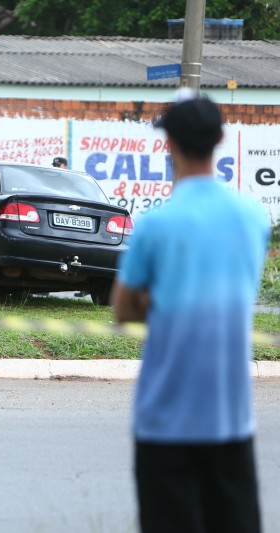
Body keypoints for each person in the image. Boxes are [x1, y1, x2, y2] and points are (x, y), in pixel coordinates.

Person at [112, 95, 269, 533]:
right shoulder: (253, 218)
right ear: (220, 139)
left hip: (165, 422)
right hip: (230, 419)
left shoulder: (156, 224)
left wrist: (152, 300)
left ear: (170, 145)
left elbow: (122, 308)